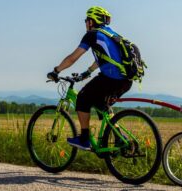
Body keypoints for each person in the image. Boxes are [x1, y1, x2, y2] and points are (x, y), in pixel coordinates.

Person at [46, 6, 133, 150]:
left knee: (82, 98)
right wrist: (88, 72)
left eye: (87, 20)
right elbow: (106, 58)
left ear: (92, 21)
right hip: (126, 81)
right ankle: (120, 139)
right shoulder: (110, 34)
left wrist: (56, 70)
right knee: (102, 106)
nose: (86, 23)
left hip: (111, 80)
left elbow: (73, 57)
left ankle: (84, 139)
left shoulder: (92, 35)